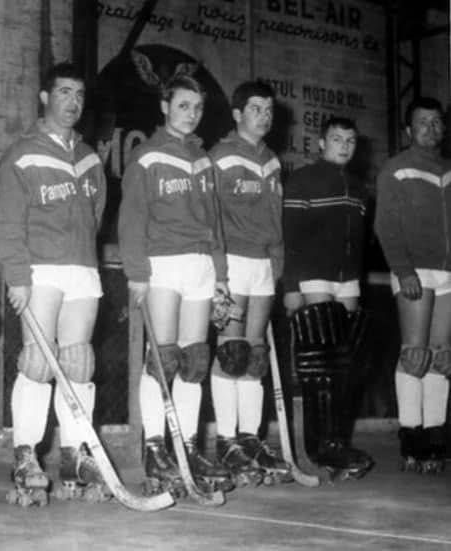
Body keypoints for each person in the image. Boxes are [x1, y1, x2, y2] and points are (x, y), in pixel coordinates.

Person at [0, 62, 107, 506]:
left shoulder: (90, 157)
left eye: (78, 94)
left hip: (81, 267)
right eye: (63, 92)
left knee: (78, 362)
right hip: (39, 269)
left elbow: (96, 216)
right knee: (38, 364)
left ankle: (75, 453)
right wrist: (17, 278)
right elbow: (6, 222)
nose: (73, 102)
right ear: (45, 98)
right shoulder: (21, 153)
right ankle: (24, 453)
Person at [118, 72, 232, 497]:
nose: (191, 114)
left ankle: (185, 444)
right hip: (162, 264)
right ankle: (154, 447)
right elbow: (132, 220)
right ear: (165, 106)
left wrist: (220, 276)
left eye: (198, 107)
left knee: (194, 360)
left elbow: (215, 225)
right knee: (162, 359)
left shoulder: (204, 161)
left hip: (201, 265)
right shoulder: (146, 157)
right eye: (183, 105)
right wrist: (136, 274)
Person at [207, 80, 291, 486]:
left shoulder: (273, 161)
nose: (264, 115)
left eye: (269, 109)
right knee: (232, 353)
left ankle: (249, 437)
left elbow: (276, 220)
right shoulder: (220, 156)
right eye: (256, 108)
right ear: (238, 114)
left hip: (262, 265)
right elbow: (211, 220)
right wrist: (219, 275)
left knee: (255, 357)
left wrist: (277, 262)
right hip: (233, 262)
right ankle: (225, 439)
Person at [282, 117, 373, 479]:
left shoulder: (359, 187)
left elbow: (362, 244)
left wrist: (357, 282)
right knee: (319, 364)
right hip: (313, 276)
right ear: (321, 143)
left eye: (350, 140)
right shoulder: (303, 180)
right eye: (336, 139)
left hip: (347, 280)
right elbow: (290, 236)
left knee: (344, 364)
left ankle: (338, 440)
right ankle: (320, 445)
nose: (344, 146)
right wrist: (291, 286)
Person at [375, 97, 451, 474]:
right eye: (423, 122)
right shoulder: (396, 169)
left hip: (448, 271)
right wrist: (403, 270)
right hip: (414, 270)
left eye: (437, 122)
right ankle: (410, 432)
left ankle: (434, 432)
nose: (431, 128)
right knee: (415, 353)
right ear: (409, 130)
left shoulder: (449, 170)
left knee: (440, 356)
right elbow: (385, 226)